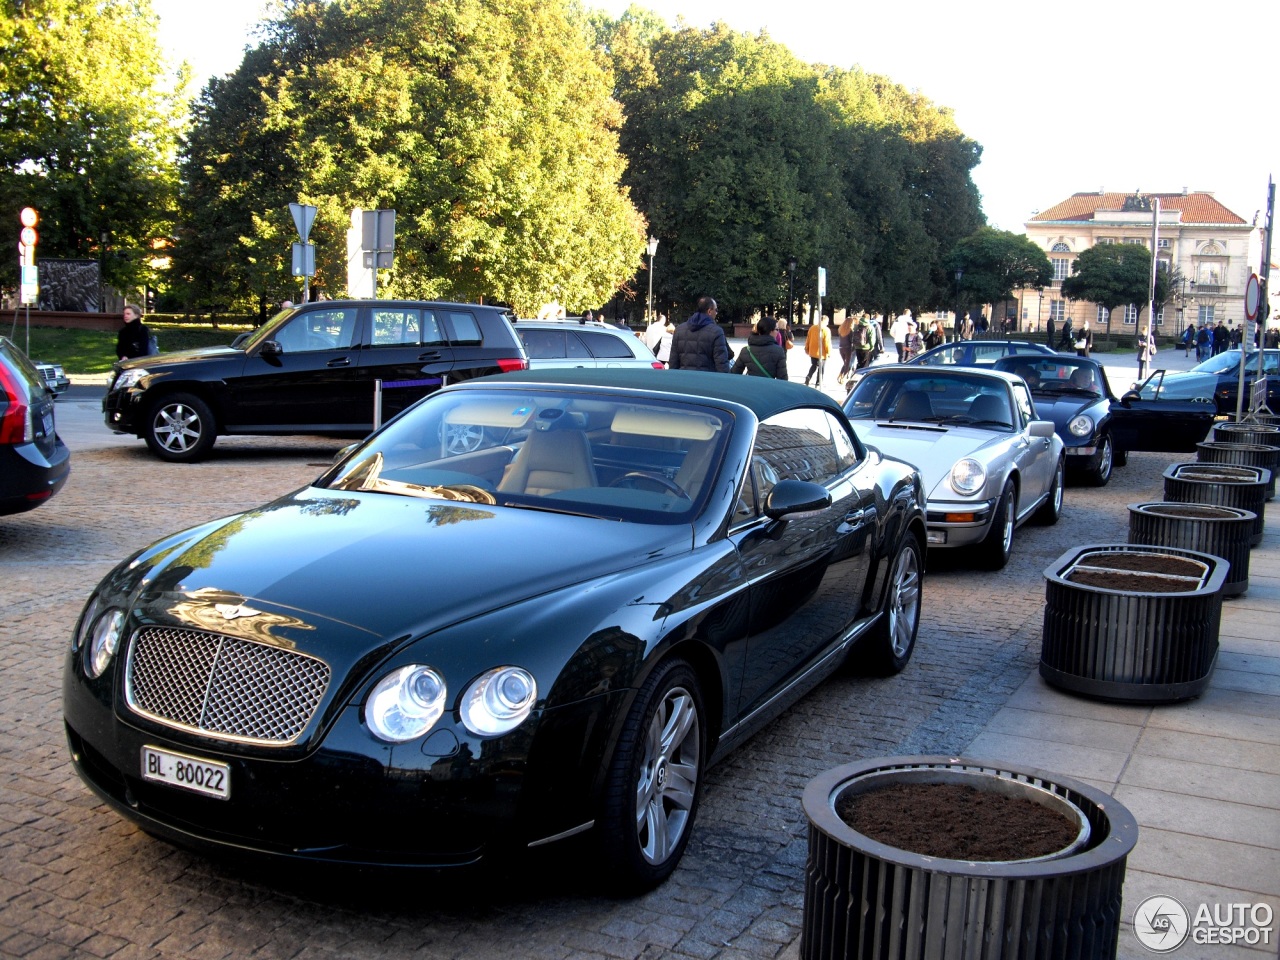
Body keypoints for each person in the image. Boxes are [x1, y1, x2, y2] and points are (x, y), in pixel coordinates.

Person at [668, 296, 730, 373]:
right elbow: (721, 364)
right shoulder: (717, 332)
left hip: (684, 379)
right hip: (706, 381)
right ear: (709, 311)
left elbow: (673, 361)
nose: (716, 313)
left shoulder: (679, 330)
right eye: (716, 310)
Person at [803, 314, 832, 386]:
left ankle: (808, 377)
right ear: (825, 321)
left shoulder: (812, 328)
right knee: (821, 368)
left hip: (812, 351)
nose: (828, 323)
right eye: (827, 322)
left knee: (813, 365)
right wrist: (829, 352)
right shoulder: (826, 330)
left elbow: (808, 339)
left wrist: (806, 348)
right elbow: (827, 342)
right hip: (822, 353)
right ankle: (818, 382)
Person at [836, 316, 855, 382]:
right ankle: (843, 378)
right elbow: (852, 340)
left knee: (845, 363)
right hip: (848, 348)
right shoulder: (850, 330)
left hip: (841, 348)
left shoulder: (840, 329)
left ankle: (840, 375)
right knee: (847, 364)